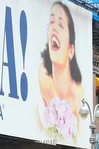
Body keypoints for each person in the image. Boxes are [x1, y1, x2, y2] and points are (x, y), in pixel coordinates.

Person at [37, 1, 84, 137]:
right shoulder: (41, 76)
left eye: (61, 25)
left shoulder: (79, 97)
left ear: (71, 50)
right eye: (51, 22)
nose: (54, 29)